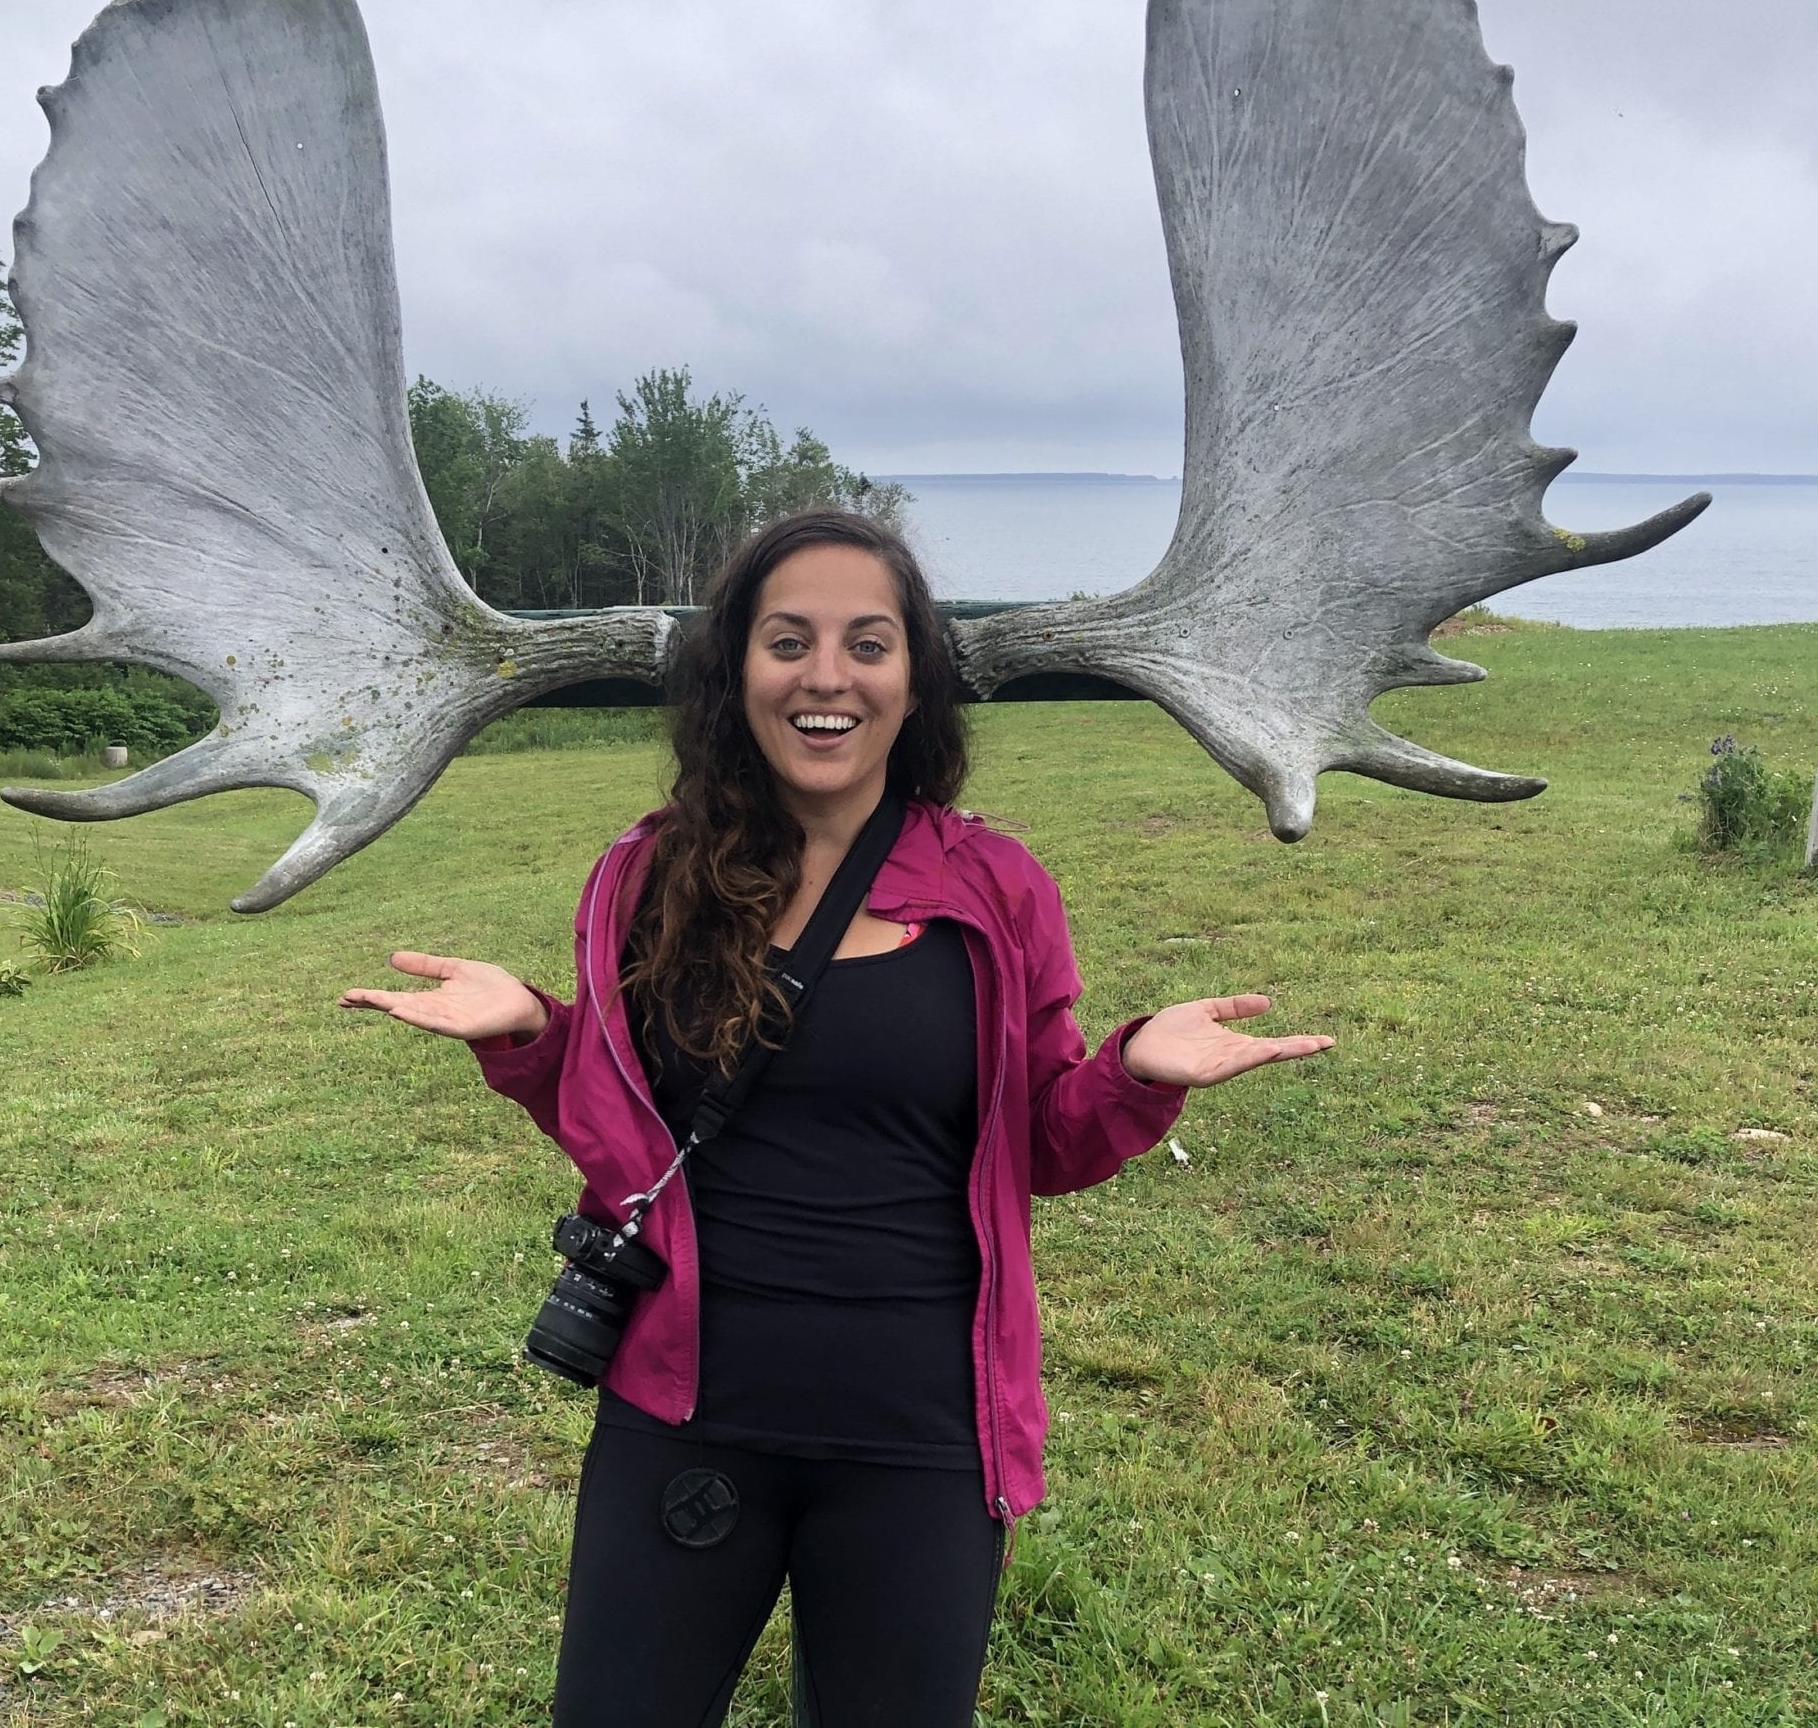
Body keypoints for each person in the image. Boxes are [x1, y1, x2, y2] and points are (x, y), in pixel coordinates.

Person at [342, 509, 1334, 1726]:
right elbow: (630, 1135)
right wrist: (530, 1037)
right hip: (683, 1408)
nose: (825, 676)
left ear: (913, 681)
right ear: (736, 673)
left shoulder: (994, 887)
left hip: (921, 1430)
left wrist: (1135, 1067)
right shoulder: (644, 878)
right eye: (786, 640)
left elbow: (1044, 1143)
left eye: (866, 644)